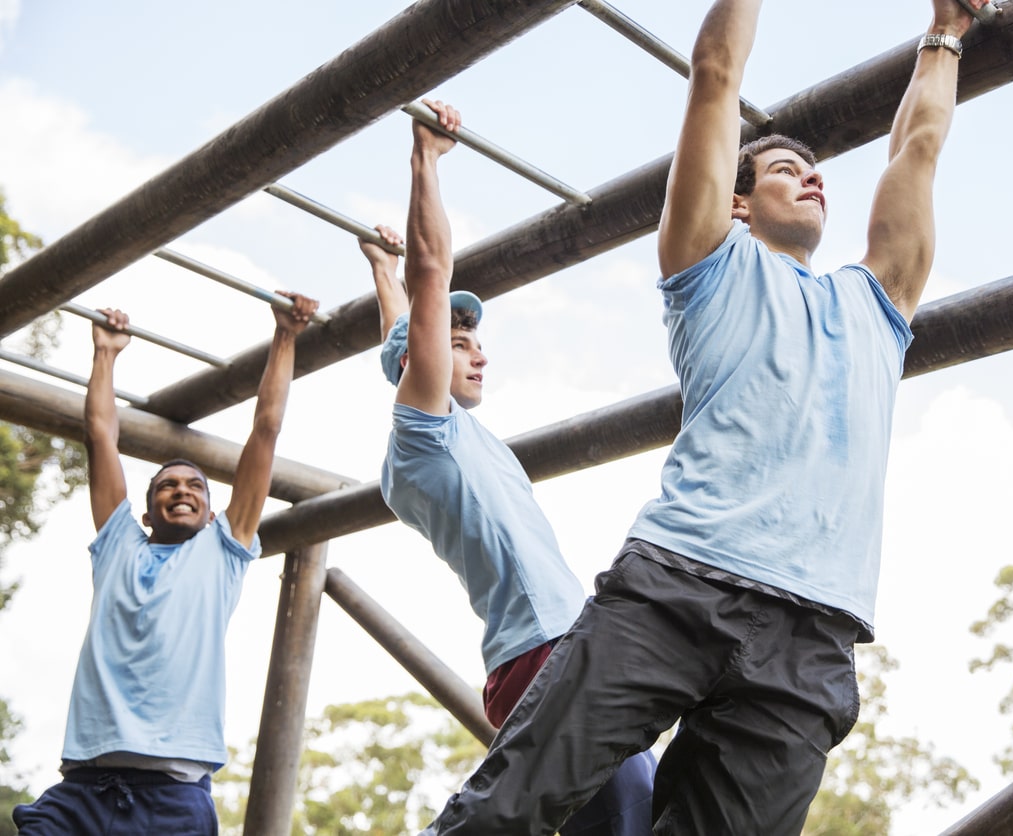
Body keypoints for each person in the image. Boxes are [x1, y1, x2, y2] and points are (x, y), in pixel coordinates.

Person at [418, 0, 984, 832]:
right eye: (788, 168)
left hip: (813, 637)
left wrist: (948, 31)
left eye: (816, 168)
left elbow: (919, 148)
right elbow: (716, 75)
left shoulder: (878, 301)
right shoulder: (708, 263)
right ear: (739, 204)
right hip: (678, 585)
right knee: (507, 808)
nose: (814, 175)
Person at [365, 99, 654, 835]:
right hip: (548, 654)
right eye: (459, 342)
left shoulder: (447, 433)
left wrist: (380, 270)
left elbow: (405, 323)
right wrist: (424, 160)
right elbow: (431, 286)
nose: (480, 350)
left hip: (555, 652)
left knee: (635, 817)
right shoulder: (423, 434)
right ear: (421, 363)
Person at [13, 291, 319, 835]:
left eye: (195, 486)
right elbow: (100, 435)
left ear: (210, 510)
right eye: (167, 485)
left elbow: (266, 428)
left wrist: (285, 336)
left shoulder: (222, 551)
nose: (182, 491)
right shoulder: (118, 547)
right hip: (83, 786)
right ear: (148, 508)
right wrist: (105, 354)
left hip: (170, 797)